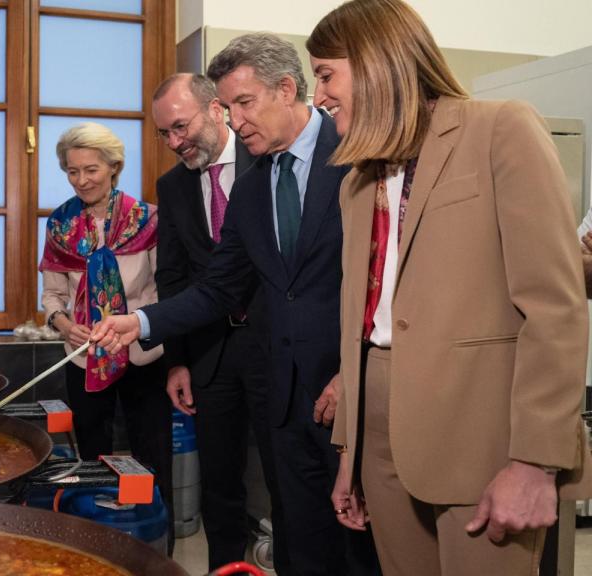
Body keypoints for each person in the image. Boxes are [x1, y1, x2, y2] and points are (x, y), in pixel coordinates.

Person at [306, 1, 592, 573]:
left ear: (375, 62)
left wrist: (536, 461)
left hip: (480, 427)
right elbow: (359, 326)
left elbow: (554, 309)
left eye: (325, 74)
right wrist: (350, 455)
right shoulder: (357, 184)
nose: (319, 97)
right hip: (380, 426)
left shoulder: (500, 129)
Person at [91, 34, 381, 576]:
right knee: (301, 534)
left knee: (361, 543)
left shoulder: (355, 156)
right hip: (285, 394)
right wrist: (141, 321)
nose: (236, 119)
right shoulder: (254, 186)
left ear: (288, 89)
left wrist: (354, 369)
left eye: (243, 103)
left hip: (352, 390)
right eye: (228, 106)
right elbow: (219, 286)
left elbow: (383, 281)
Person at [151, 72, 285, 571]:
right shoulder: (174, 186)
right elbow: (173, 277)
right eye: (164, 134)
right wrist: (177, 362)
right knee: (220, 484)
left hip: (275, 349)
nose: (174, 142)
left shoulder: (268, 160)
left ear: (215, 109)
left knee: (284, 478)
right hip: (210, 355)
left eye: (180, 127)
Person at [39, 122, 173, 550]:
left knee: (150, 448)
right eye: (72, 171)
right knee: (93, 450)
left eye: (91, 169)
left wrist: (131, 323)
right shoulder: (60, 224)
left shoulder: (148, 219)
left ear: (114, 168)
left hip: (140, 352)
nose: (82, 180)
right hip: (83, 354)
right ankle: (94, 541)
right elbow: (53, 294)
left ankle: (153, 537)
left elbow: (166, 288)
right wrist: (63, 323)